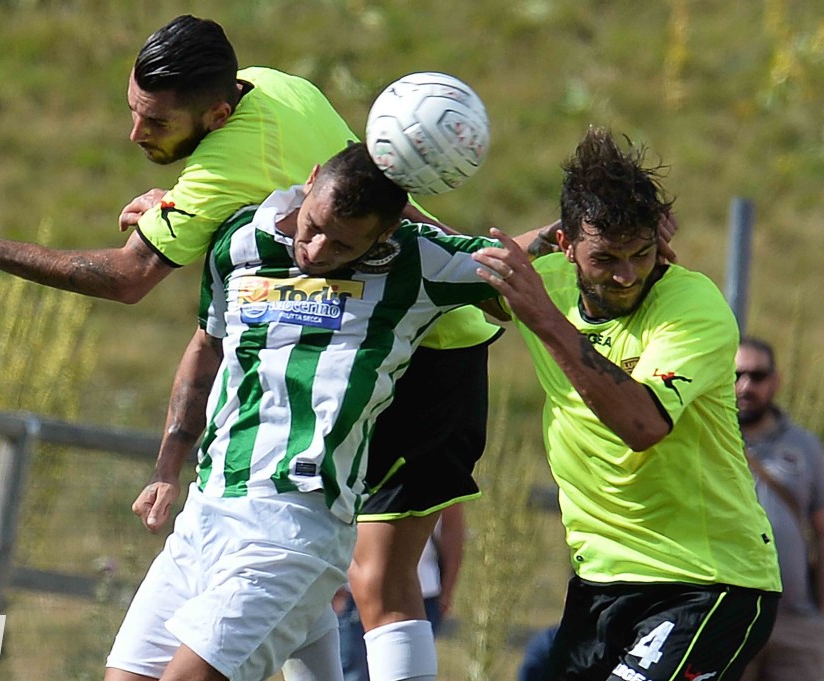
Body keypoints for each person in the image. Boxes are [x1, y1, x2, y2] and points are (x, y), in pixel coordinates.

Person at [0, 17, 506, 679]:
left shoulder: (234, 178)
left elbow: (129, 275)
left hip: (427, 351)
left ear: (218, 113)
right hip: (231, 486)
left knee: (381, 579)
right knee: (320, 596)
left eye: (157, 122)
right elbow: (284, 212)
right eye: (134, 110)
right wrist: (182, 209)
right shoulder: (277, 89)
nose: (136, 133)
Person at [106, 143, 511, 681]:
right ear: (312, 179)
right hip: (205, 513)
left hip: (293, 529)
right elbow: (207, 346)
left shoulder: (414, 260)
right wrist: (167, 467)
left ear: (386, 232)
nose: (317, 250)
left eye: (342, 244)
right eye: (314, 226)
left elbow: (515, 263)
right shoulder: (241, 238)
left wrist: (568, 236)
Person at [472, 127, 782, 681]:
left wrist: (546, 320)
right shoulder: (548, 281)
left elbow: (642, 424)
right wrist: (545, 242)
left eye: (641, 253)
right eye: (605, 257)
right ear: (566, 246)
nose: (626, 275)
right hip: (600, 583)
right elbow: (467, 279)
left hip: (706, 583)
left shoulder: (691, 304)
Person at [735, 337, 824, 681]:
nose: (746, 386)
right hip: (728, 616)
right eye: (736, 375)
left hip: (795, 622)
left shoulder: (805, 446)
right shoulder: (707, 440)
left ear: (775, 380)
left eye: (757, 376)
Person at [336, 505, 465, 681]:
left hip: (423, 594)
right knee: (352, 674)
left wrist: (447, 589)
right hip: (356, 595)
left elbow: (452, 526)